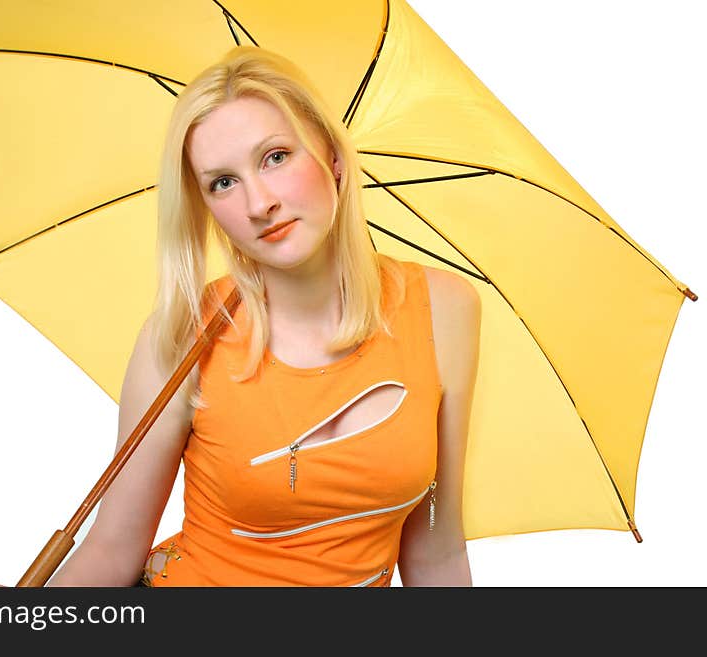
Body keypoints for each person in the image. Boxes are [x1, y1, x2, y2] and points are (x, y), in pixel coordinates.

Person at [42, 45, 479, 587]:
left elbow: (436, 550)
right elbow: (112, 553)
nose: (258, 203)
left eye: (275, 157)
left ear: (334, 158)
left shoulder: (444, 310)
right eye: (222, 182)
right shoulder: (184, 334)